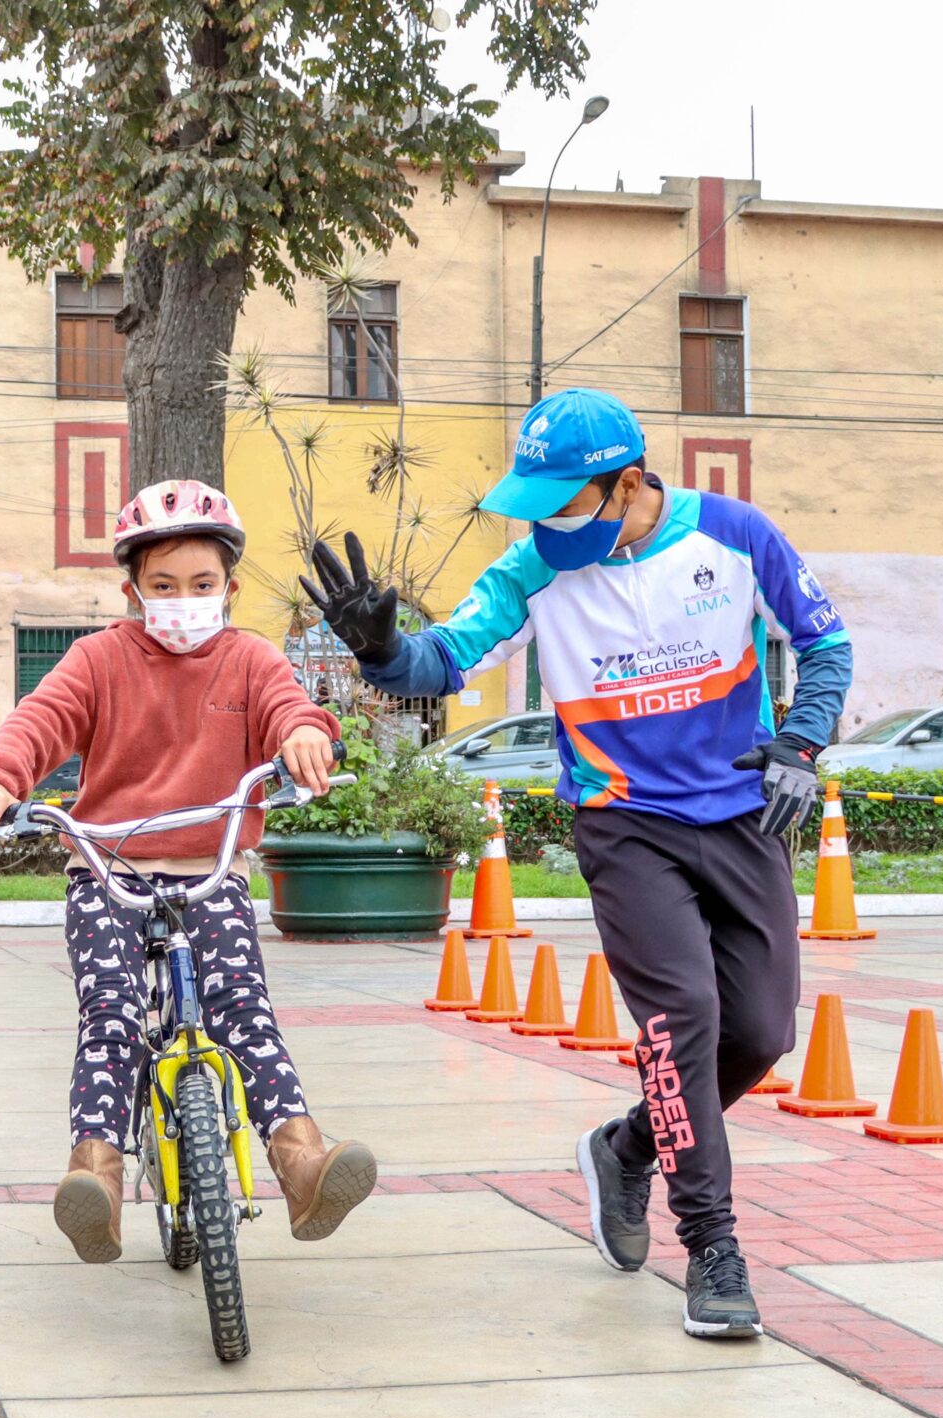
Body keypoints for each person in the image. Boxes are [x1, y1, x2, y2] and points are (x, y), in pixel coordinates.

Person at [304, 387, 852, 1339]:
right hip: (624, 824)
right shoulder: (533, 569)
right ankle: (713, 1250)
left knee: (761, 1034)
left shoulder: (733, 534)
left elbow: (825, 644)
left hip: (741, 815)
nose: (546, 522)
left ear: (628, 484)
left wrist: (801, 743)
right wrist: (384, 649)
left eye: (564, 503)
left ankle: (626, 1146)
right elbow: (447, 655)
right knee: (682, 1025)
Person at [0, 479, 374, 1263]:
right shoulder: (98, 659)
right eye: (165, 585)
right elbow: (39, 721)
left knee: (242, 1007)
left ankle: (302, 1162)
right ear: (134, 592)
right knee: (111, 1015)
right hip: (108, 872)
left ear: (230, 590)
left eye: (202, 584)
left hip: (211, 871)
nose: (185, 600)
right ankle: (97, 1180)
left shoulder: (250, 658)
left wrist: (304, 736)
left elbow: (289, 707)